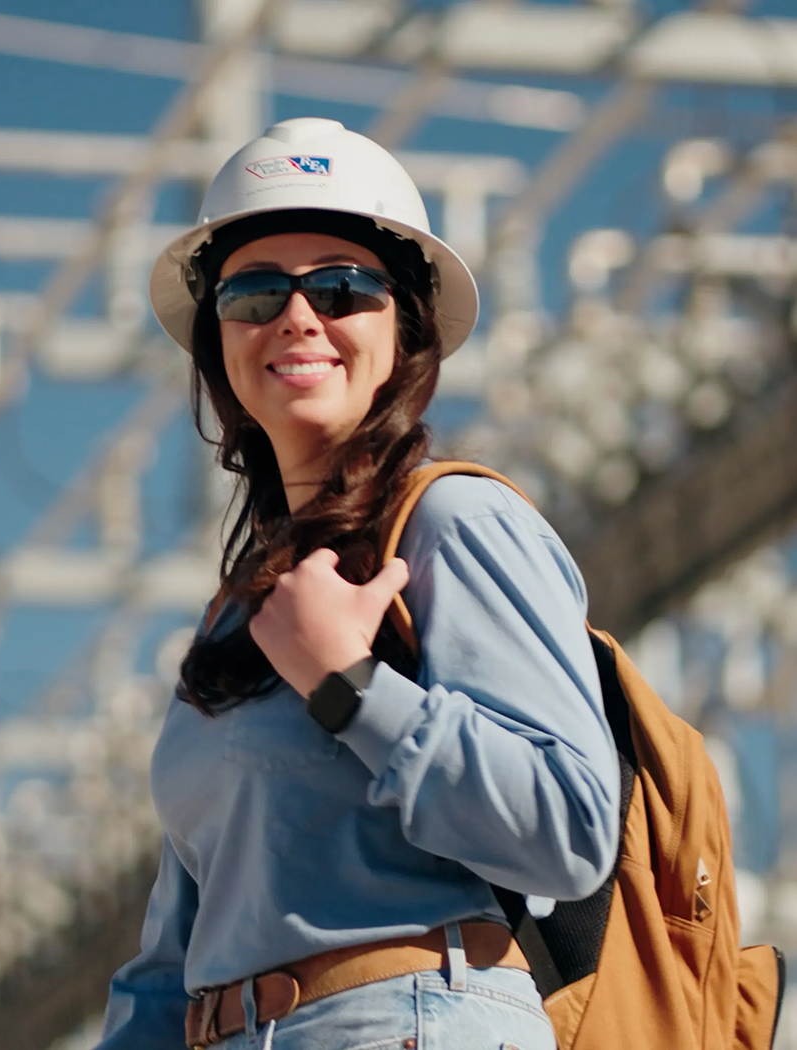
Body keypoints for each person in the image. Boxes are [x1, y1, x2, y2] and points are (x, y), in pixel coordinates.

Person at [95, 117, 621, 1050]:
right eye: (255, 292)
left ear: (405, 329)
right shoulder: (239, 619)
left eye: (343, 287)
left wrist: (351, 688)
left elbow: (570, 830)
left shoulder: (453, 523)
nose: (298, 317)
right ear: (219, 340)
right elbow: (180, 950)